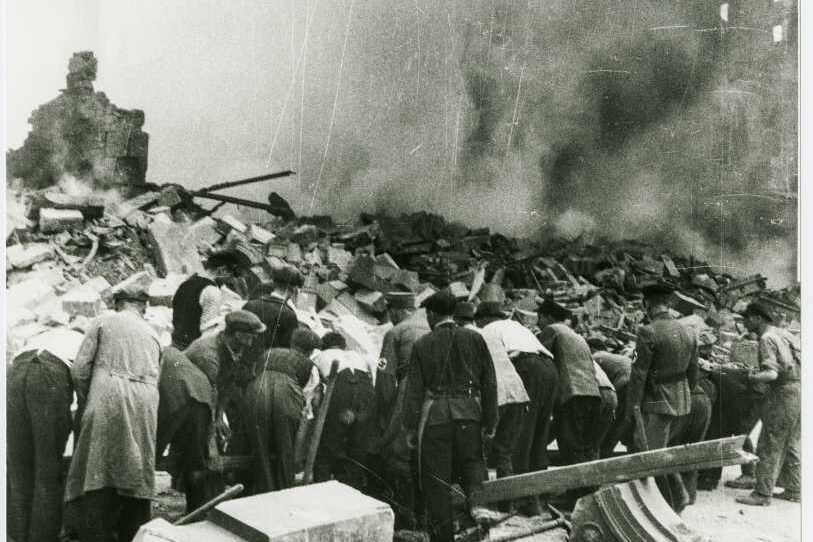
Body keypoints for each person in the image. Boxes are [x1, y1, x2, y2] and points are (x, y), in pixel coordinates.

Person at [64, 285, 162, 542]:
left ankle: (95, 532)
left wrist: (88, 400)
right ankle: (134, 532)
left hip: (108, 391)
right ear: (142, 307)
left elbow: (80, 369)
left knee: (97, 463)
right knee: (137, 463)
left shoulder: (103, 321)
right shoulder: (154, 333)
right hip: (146, 398)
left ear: (118, 304)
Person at [403, 289, 498, 542]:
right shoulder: (475, 338)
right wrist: (490, 420)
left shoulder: (423, 344)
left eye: (428, 315)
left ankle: (443, 536)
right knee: (472, 463)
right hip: (469, 414)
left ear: (433, 314)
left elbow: (413, 390)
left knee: (436, 481)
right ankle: (477, 509)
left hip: (436, 418)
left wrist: (410, 427)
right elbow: (489, 381)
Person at [476, 300, 557, 517]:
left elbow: (493, 364)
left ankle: (525, 501)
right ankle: (538, 498)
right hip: (549, 369)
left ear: (483, 318)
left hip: (527, 369)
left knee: (521, 438)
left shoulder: (488, 330)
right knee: (539, 436)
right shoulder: (517, 327)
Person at [624, 281, 698, 512]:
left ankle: (669, 502)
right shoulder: (689, 331)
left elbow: (638, 372)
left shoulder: (647, 331)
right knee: (662, 450)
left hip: (657, 402)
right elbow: (693, 373)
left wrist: (633, 406)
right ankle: (678, 495)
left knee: (650, 455)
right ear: (667, 303)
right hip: (683, 400)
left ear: (647, 303)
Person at [735, 302, 801, 506]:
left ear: (757, 319)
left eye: (746, 319)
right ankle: (795, 489)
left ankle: (762, 494)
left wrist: (750, 376)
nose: (744, 323)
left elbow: (771, 373)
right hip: (800, 389)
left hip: (782, 393)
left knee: (770, 442)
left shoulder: (766, 338)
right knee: (790, 442)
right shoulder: (785, 334)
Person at [374, 291, 431, 529]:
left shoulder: (395, 332)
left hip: (410, 388)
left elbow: (385, 376)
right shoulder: (431, 326)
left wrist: (383, 414)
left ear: (396, 311)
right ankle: (426, 517)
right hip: (437, 392)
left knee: (398, 450)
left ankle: (406, 519)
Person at [7, 348, 74, 542]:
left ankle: (18, 535)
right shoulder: (86, 334)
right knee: (47, 471)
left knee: (18, 469)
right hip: (49, 376)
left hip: (15, 373)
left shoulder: (38, 331)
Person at [244, 328, 321, 493]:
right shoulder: (310, 366)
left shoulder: (268, 352)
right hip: (287, 392)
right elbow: (307, 407)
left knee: (260, 447)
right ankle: (282, 494)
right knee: (285, 449)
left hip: (256, 389)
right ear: (311, 350)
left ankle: (262, 493)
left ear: (292, 343)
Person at [185, 310, 266, 465]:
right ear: (237, 334)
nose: (256, 337)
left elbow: (228, 383)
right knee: (199, 437)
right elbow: (210, 394)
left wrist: (220, 416)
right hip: (188, 393)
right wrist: (214, 423)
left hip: (206, 392)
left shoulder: (237, 348)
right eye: (252, 333)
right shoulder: (208, 354)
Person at [472, 301, 529, 504]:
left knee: (481, 452)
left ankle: (488, 503)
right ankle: (508, 503)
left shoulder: (474, 336)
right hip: (518, 394)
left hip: (498, 396)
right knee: (504, 451)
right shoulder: (492, 338)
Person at [537, 300, 601, 466]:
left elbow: (541, 360)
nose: (538, 322)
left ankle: (579, 491)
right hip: (593, 393)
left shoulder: (551, 330)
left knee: (571, 447)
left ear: (548, 317)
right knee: (587, 448)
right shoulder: (576, 335)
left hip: (572, 395)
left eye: (540, 317)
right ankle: (593, 489)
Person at [312, 332, 378, 490]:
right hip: (365, 392)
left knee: (329, 443)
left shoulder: (319, 356)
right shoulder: (358, 355)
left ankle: (322, 487)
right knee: (358, 444)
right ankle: (352, 489)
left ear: (324, 345)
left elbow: (314, 388)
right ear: (343, 345)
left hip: (340, 391)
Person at [156, 343, 215, 513]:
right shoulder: (174, 354)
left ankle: (136, 512)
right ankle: (197, 511)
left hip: (177, 394)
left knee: (150, 452)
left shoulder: (157, 353)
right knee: (194, 458)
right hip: (201, 396)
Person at [171, 249, 238, 349]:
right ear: (222, 270)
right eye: (230, 275)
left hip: (175, 341)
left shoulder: (186, 283)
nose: (230, 279)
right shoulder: (213, 291)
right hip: (191, 347)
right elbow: (207, 331)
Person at [588, 336, 633, 457]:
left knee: (609, 421)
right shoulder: (612, 357)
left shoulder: (595, 357)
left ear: (591, 348)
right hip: (634, 385)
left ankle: (601, 452)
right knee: (620, 423)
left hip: (624, 385)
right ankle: (606, 452)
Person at [242, 264, 303, 350]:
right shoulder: (289, 315)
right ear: (295, 288)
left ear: (274, 283)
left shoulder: (250, 305)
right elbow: (287, 350)